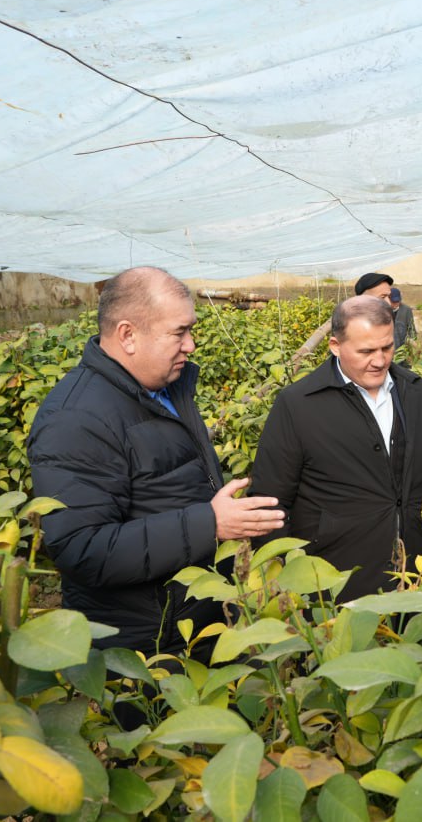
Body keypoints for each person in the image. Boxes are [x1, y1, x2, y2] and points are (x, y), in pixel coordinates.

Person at [28, 267, 285, 657]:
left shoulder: (164, 389)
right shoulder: (76, 419)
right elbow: (80, 548)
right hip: (145, 647)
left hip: (191, 622)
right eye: (179, 332)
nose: (192, 345)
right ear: (128, 335)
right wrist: (210, 522)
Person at [250, 295, 422, 600]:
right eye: (366, 351)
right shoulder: (298, 406)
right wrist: (283, 586)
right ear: (335, 346)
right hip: (336, 585)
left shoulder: (412, 391)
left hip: (415, 578)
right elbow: (270, 502)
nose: (380, 360)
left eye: (387, 347)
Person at [388, 286, 416, 351]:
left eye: (397, 301)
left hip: (402, 344)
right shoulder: (385, 310)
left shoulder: (406, 310)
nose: (396, 304)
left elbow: (411, 327)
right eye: (393, 302)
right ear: (388, 299)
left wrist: (412, 339)